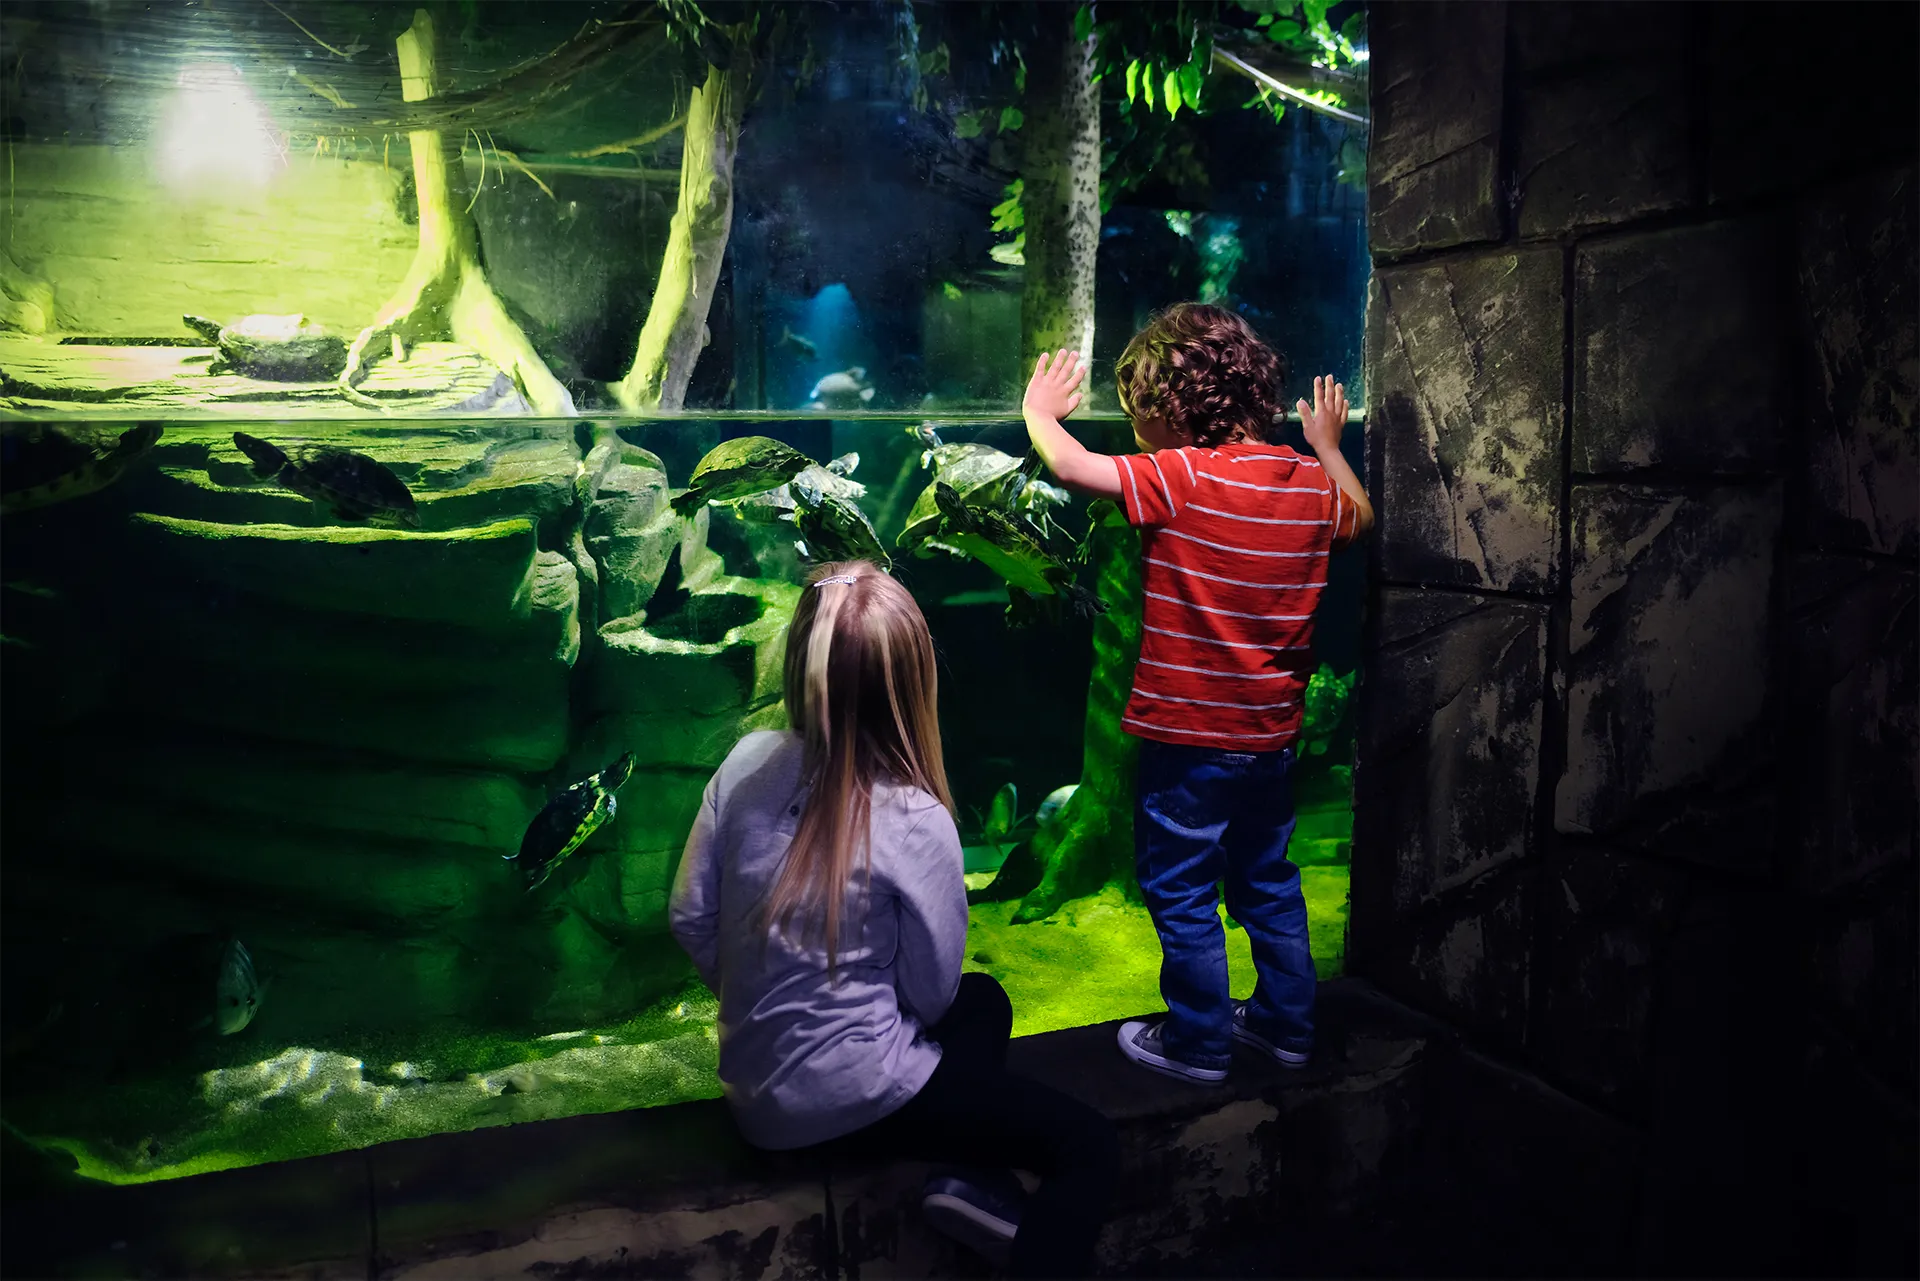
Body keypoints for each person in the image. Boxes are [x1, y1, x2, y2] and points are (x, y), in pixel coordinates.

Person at [668, 560, 1119, 1276]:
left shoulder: (745, 761)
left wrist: (764, 998)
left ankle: (968, 1182)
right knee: (1089, 1147)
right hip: (853, 1104)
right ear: (913, 682)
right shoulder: (913, 813)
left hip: (754, 1099)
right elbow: (928, 995)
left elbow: (690, 915)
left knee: (986, 1000)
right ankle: (991, 1201)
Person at [1019, 303, 1374, 1084]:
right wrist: (1325, 446)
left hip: (1186, 740)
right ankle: (1286, 1027)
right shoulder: (1310, 485)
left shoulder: (1180, 475)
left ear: (1164, 413)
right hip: (1272, 742)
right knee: (1268, 880)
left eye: (1136, 417)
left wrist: (1039, 415)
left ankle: (1200, 1042)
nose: (1135, 433)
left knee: (1180, 889)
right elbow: (1361, 515)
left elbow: (1075, 468)